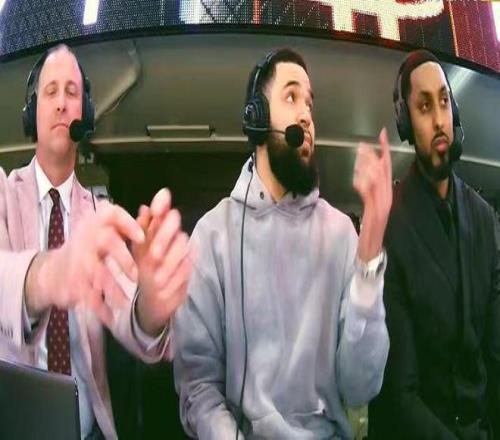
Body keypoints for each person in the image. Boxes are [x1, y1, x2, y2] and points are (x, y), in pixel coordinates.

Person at [174, 48, 392, 439]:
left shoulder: (341, 233)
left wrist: (370, 254)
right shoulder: (213, 235)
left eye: (310, 104)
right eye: (291, 97)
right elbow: (198, 387)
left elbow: (361, 387)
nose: (306, 115)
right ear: (256, 119)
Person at [0, 44, 192, 439]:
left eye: (71, 92)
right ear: (32, 113)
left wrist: (151, 306)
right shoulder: (2, 193)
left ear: (84, 116)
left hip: (89, 431)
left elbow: (132, 321)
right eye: (51, 91)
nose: (61, 103)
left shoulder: (101, 216)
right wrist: (50, 273)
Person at [368, 49, 500, 439]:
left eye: (444, 101)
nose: (440, 119)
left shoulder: (483, 218)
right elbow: (400, 392)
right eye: (424, 106)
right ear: (405, 122)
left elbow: (494, 351)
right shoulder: (390, 224)